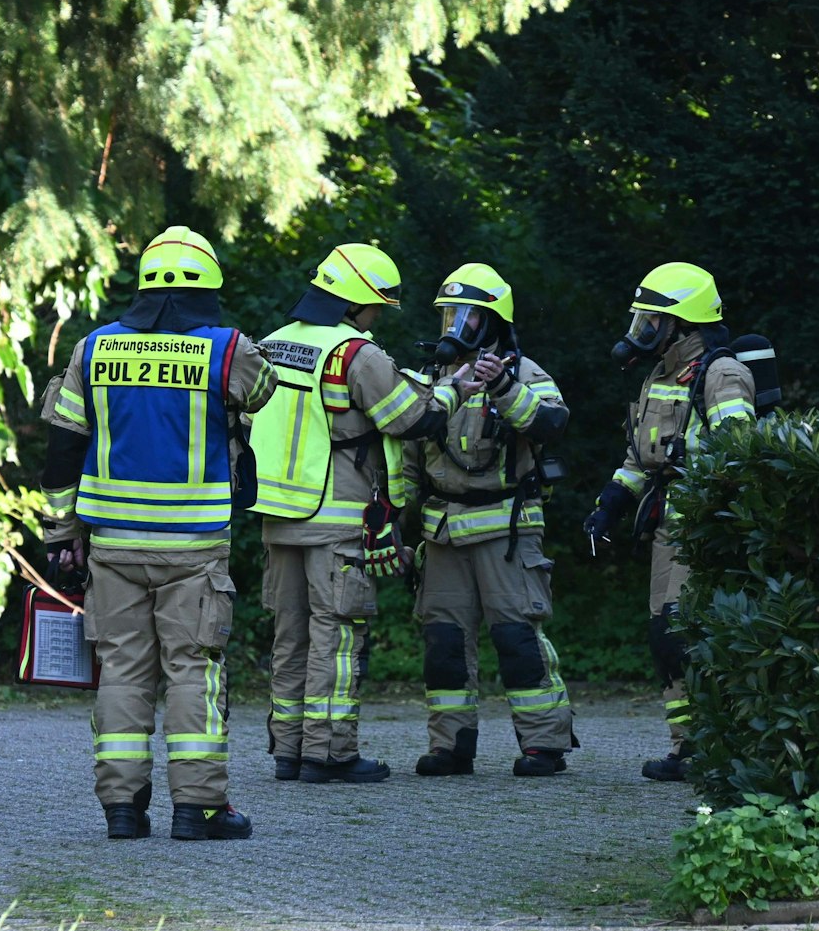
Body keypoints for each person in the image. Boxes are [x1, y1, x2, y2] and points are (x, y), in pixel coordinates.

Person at [37, 225, 278, 840]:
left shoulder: (94, 349)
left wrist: (61, 530)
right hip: (194, 548)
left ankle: (122, 809)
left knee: (122, 671)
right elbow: (262, 391)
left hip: (112, 546)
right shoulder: (226, 349)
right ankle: (197, 811)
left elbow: (63, 445)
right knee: (193, 670)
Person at [247, 243, 447, 784]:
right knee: (336, 640)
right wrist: (444, 395)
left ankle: (288, 751)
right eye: (377, 305)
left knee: (289, 637)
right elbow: (410, 421)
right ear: (356, 303)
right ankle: (330, 753)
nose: (378, 316)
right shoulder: (355, 354)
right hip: (335, 519)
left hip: (276, 514)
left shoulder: (270, 344)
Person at [581, 263, 756, 783]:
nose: (641, 331)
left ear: (682, 324)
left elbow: (740, 457)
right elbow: (642, 458)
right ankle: (687, 747)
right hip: (668, 529)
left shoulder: (721, 375)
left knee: (687, 634)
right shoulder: (661, 375)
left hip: (705, 531)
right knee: (666, 636)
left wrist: (716, 519)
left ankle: (716, 746)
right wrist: (611, 501)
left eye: (651, 321)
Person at [402, 263, 574, 777]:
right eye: (449, 314)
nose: (456, 326)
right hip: (442, 532)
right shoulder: (430, 379)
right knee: (444, 646)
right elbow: (409, 457)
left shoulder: (525, 375)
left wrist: (501, 388)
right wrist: (392, 523)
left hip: (505, 531)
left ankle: (545, 745)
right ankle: (451, 746)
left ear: (495, 322)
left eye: (469, 316)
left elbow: (551, 424)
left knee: (517, 639)